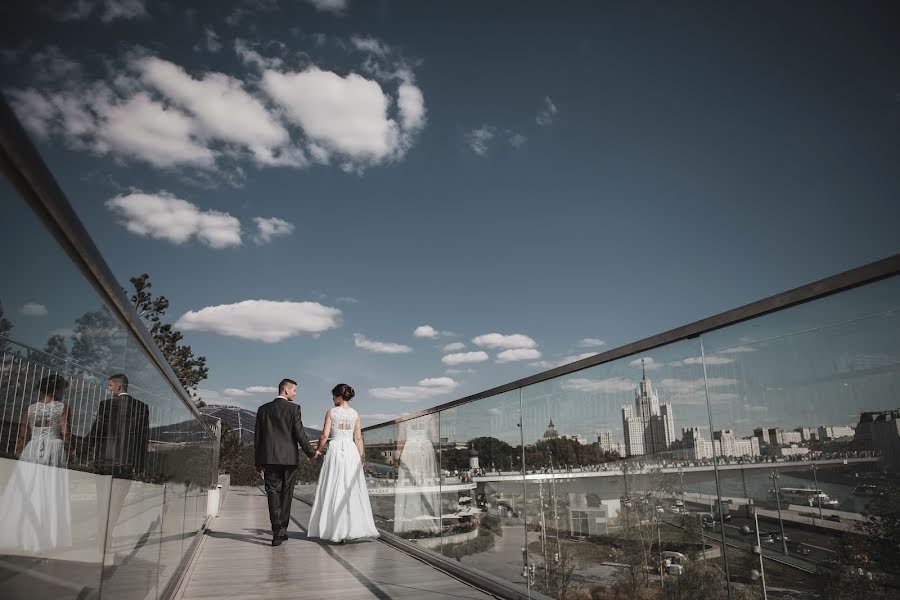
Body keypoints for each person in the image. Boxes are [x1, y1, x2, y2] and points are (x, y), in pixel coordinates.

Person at [0, 373, 72, 552]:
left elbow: (23, 434)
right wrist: (71, 449)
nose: (64, 392)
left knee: (27, 488)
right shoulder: (63, 407)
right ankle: (47, 535)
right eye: (63, 389)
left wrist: (19, 452)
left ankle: (19, 533)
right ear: (56, 389)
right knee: (49, 489)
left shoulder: (30, 408)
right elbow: (66, 432)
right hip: (53, 448)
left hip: (32, 449)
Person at [307, 384, 378, 542]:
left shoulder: (331, 412)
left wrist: (317, 451)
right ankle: (351, 528)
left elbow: (325, 435)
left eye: (333, 396)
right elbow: (358, 438)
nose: (332, 399)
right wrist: (361, 457)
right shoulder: (355, 414)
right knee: (350, 488)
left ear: (339, 396)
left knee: (334, 485)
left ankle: (335, 529)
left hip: (336, 449)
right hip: (351, 451)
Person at [254, 378, 314, 546]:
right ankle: (282, 529)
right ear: (286, 390)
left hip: (269, 459)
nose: (295, 393)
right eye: (294, 390)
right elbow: (299, 433)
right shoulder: (294, 409)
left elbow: (258, 437)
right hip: (289, 459)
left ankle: (276, 530)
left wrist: (258, 461)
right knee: (287, 493)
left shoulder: (263, 409)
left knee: (272, 492)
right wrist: (310, 452)